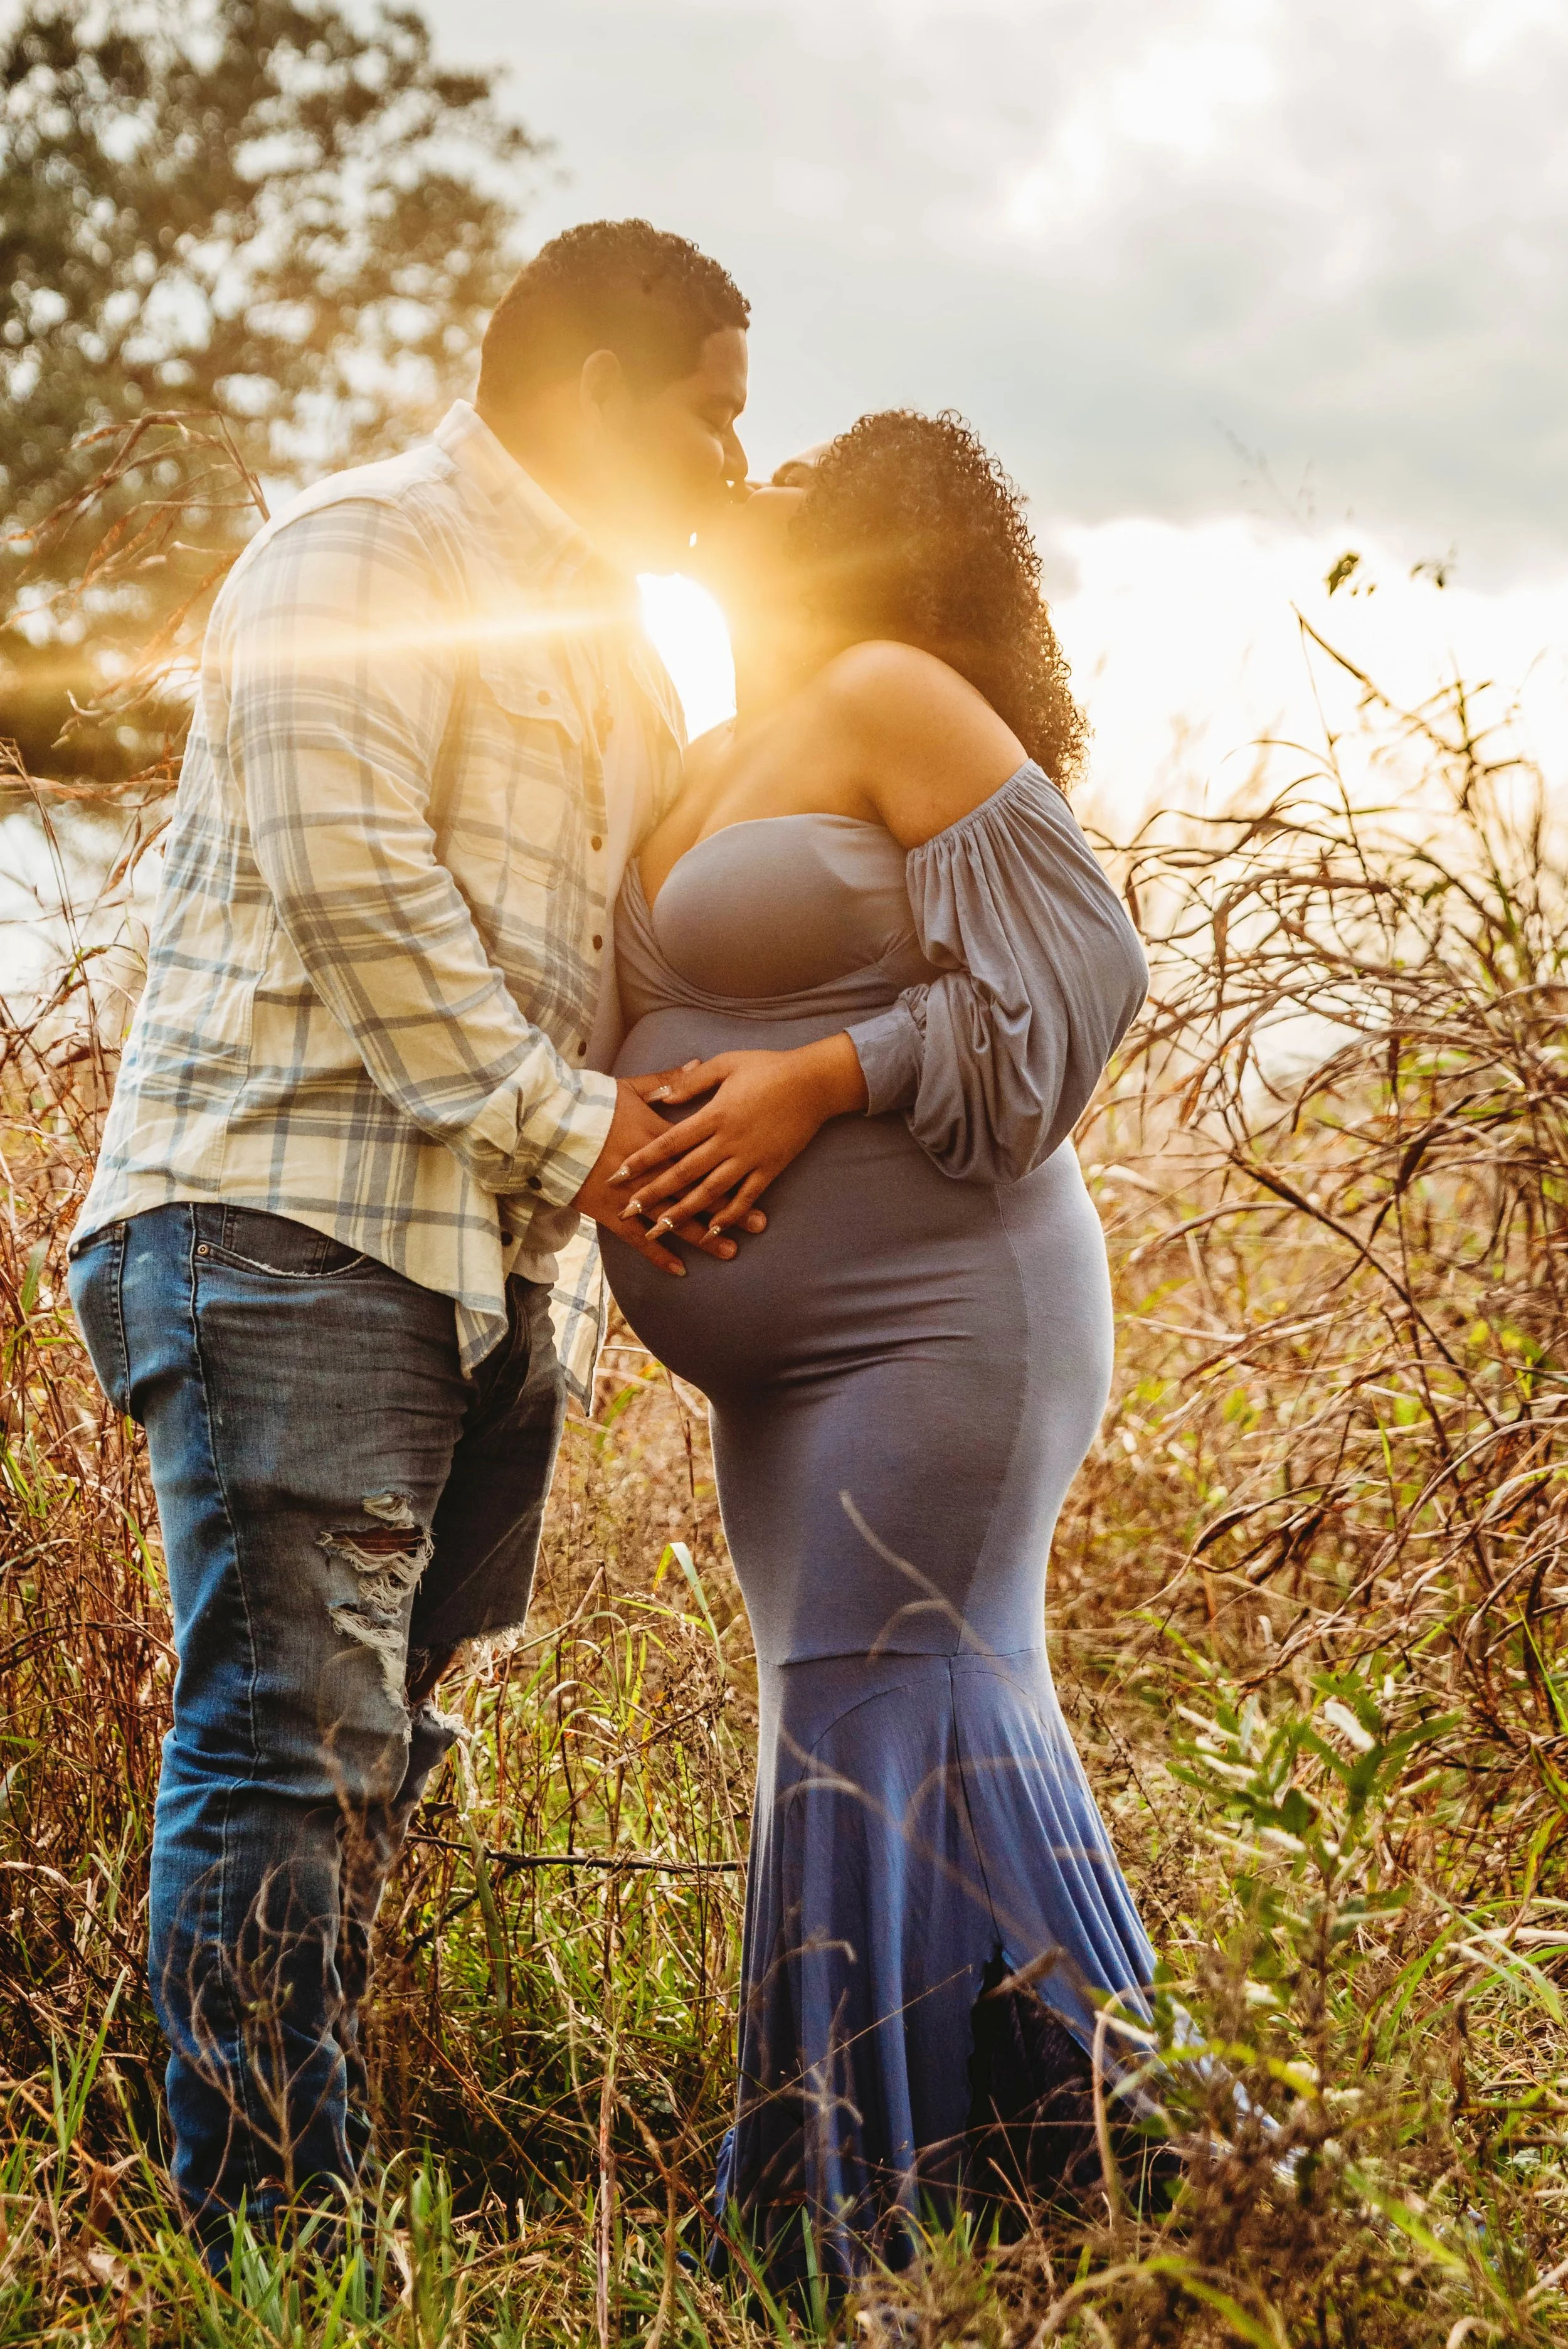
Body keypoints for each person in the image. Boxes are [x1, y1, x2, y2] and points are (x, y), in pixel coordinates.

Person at [65, 219, 768, 2252]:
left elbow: (664, 944)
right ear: (594, 396)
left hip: (477, 1269)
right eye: (712, 418)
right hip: (288, 1221)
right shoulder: (361, 558)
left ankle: (255, 2176)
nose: (736, 458)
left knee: (375, 1755)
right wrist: (593, 1142)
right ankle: (266, 2242)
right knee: (294, 1748)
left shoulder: (631, 658)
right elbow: (363, 896)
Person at [599, 411, 1157, 2287]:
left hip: (944, 1316)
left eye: (794, 468)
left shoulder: (887, 688)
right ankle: (1112, 2169)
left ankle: (835, 2238)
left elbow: (1084, 967)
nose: (743, 477)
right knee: (901, 1719)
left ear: (854, 538)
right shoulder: (703, 746)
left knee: (868, 1710)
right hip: (785, 1367)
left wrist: (817, 1081)